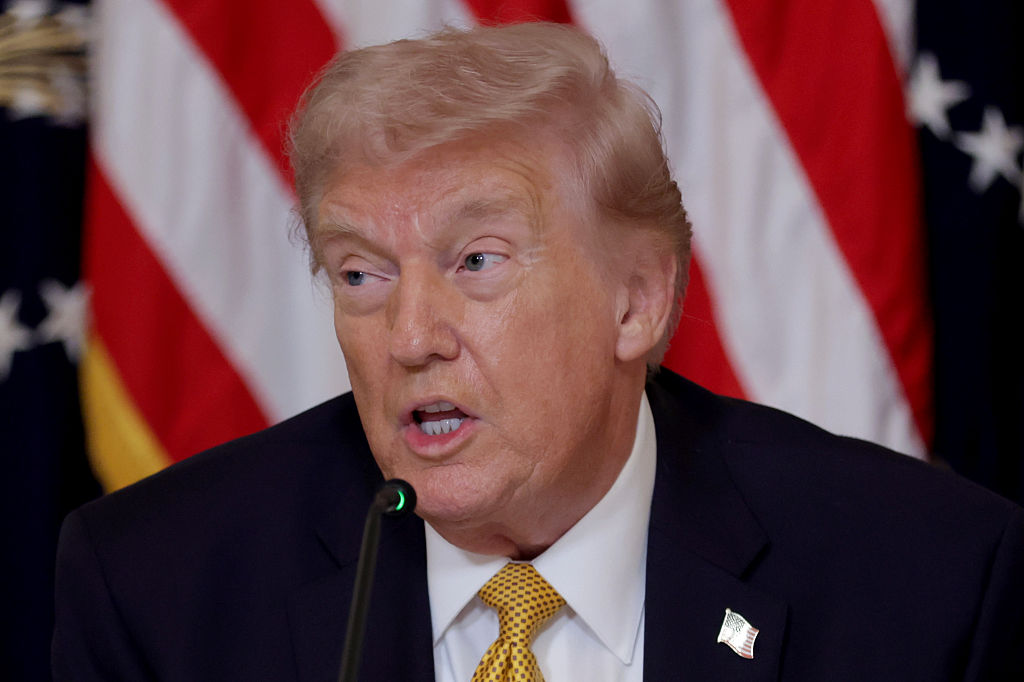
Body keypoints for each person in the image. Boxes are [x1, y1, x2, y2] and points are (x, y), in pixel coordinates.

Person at [53, 22, 1023, 681]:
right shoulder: (160, 586)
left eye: (476, 261)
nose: (411, 338)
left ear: (636, 302)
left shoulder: (923, 576)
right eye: (360, 275)